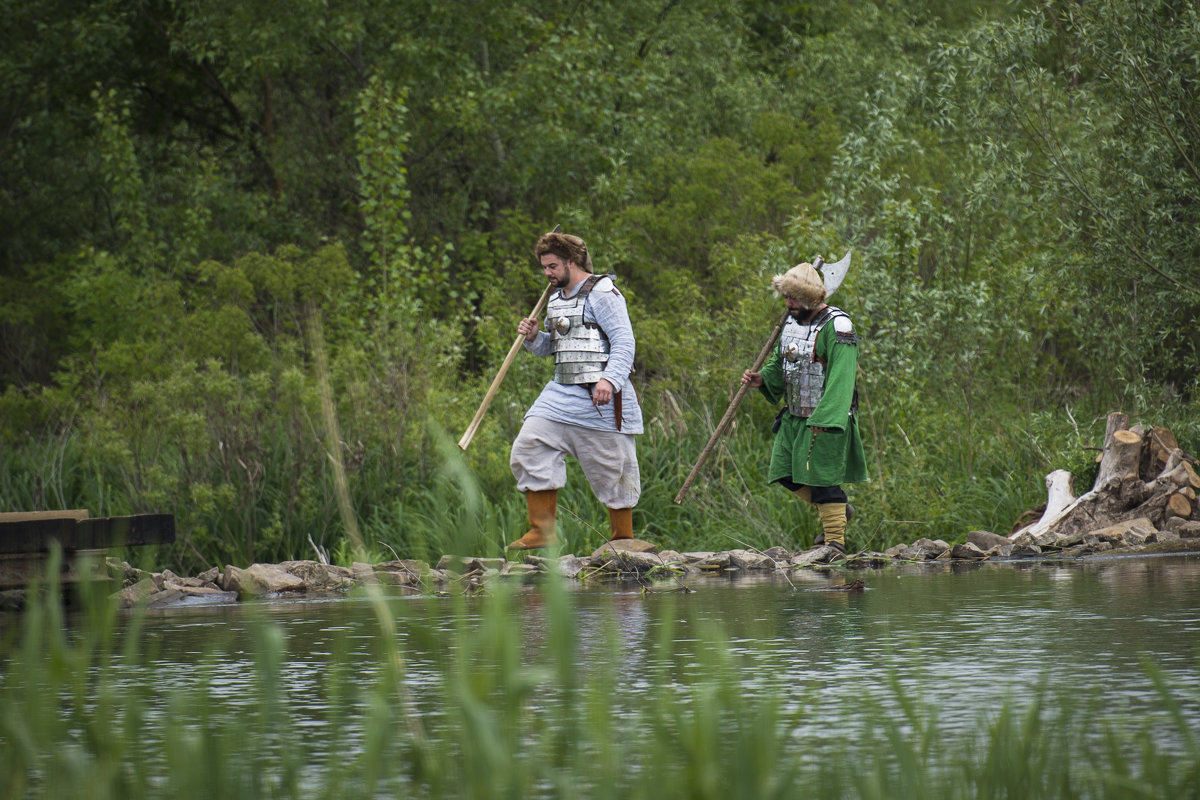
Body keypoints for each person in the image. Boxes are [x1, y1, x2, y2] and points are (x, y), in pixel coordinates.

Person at [507, 230, 643, 550]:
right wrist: (532, 337)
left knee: (614, 467)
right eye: (544, 267)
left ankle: (623, 541)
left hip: (600, 397)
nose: (547, 273)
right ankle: (542, 530)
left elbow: (625, 342)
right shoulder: (555, 298)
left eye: (552, 266)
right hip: (561, 392)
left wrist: (609, 380)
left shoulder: (604, 293)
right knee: (529, 445)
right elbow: (553, 350)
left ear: (572, 261)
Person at [741, 261, 867, 555]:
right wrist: (763, 380)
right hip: (795, 416)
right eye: (786, 297)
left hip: (828, 418)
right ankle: (838, 510)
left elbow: (842, 377)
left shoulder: (838, 326)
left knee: (822, 480)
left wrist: (827, 418)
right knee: (785, 472)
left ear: (811, 297)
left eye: (794, 298)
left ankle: (834, 543)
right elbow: (781, 362)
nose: (788, 303)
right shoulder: (790, 323)